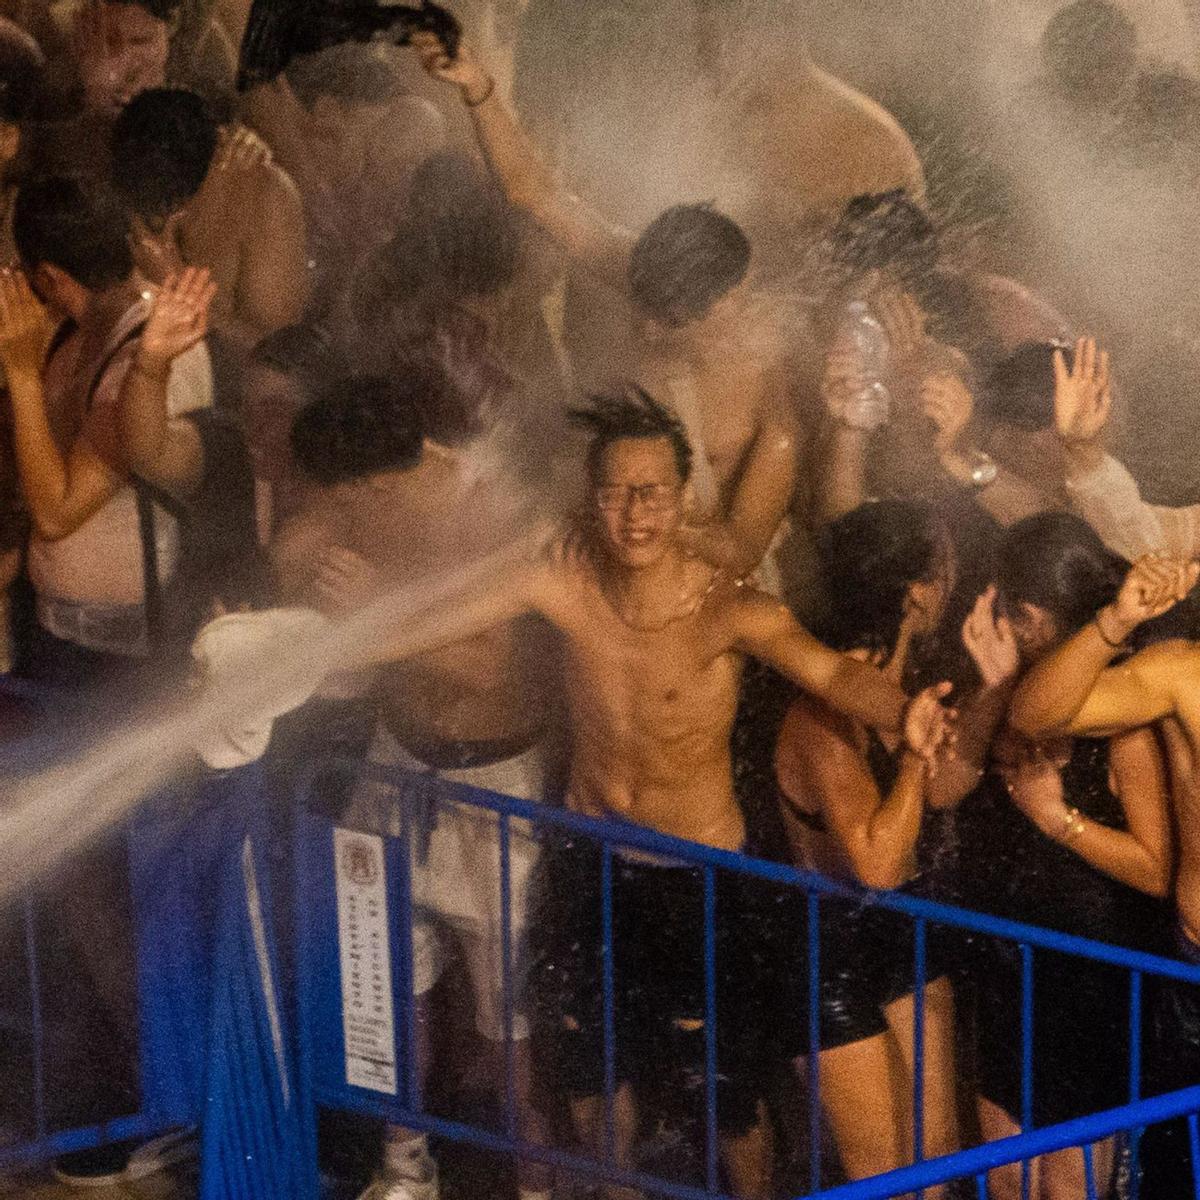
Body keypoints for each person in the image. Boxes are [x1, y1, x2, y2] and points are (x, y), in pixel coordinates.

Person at [315, 383, 953, 1200]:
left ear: (682, 498)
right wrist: (351, 626)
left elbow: (829, 673)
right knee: (590, 1066)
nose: (633, 514)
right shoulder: (564, 583)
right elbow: (436, 620)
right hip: (594, 862)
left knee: (724, 1083)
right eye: (614, 494)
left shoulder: (729, 610)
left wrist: (907, 716)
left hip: (703, 876)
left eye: (651, 493)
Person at [274, 369, 556, 1200]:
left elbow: (486, 665)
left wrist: (378, 610)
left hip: (498, 790)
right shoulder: (367, 503)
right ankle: (403, 1169)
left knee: (514, 1027)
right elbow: (311, 584)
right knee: (386, 994)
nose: (341, 519)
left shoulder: (491, 510)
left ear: (379, 480)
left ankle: (538, 1185)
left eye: (348, 501)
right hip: (392, 767)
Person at [0, 177, 215, 1187]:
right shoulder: (71, 332)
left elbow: (56, 509)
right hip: (58, 652)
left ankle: (168, 1097)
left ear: (50, 275)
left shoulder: (142, 353)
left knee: (134, 889)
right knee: (78, 880)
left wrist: (10, 369)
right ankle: (113, 1083)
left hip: (132, 666)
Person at [410, 33, 798, 583]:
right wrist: (480, 90)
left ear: (723, 304)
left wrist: (637, 519)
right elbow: (535, 194)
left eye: (665, 319)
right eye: (643, 305)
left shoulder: (771, 397)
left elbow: (739, 551)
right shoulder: (654, 279)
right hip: (604, 543)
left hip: (702, 589)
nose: (642, 324)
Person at [772, 499, 1016, 1189]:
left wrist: (993, 691)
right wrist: (910, 759)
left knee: (936, 1161)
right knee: (883, 1175)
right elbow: (877, 860)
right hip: (831, 952)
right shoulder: (826, 715)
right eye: (941, 571)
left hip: (903, 935)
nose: (951, 583)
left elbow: (942, 791)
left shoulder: (899, 690)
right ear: (916, 593)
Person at [959, 513, 1173, 1200]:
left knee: (1068, 1186)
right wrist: (991, 689)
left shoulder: (1118, 712)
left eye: (1011, 614)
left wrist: (1059, 821)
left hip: (1089, 974)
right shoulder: (1014, 691)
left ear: (1035, 617)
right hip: (1010, 965)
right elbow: (948, 785)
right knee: (1007, 1179)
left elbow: (1154, 866)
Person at [109, 87, 309, 373]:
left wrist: (179, 291)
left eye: (181, 200)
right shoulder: (131, 180)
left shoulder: (264, 196)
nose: (170, 215)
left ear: (219, 153)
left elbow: (278, 362)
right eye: (157, 205)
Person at [241, 322, 343, 544]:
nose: (254, 428)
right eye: (248, 409)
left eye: (274, 413)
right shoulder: (238, 484)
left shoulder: (354, 507)